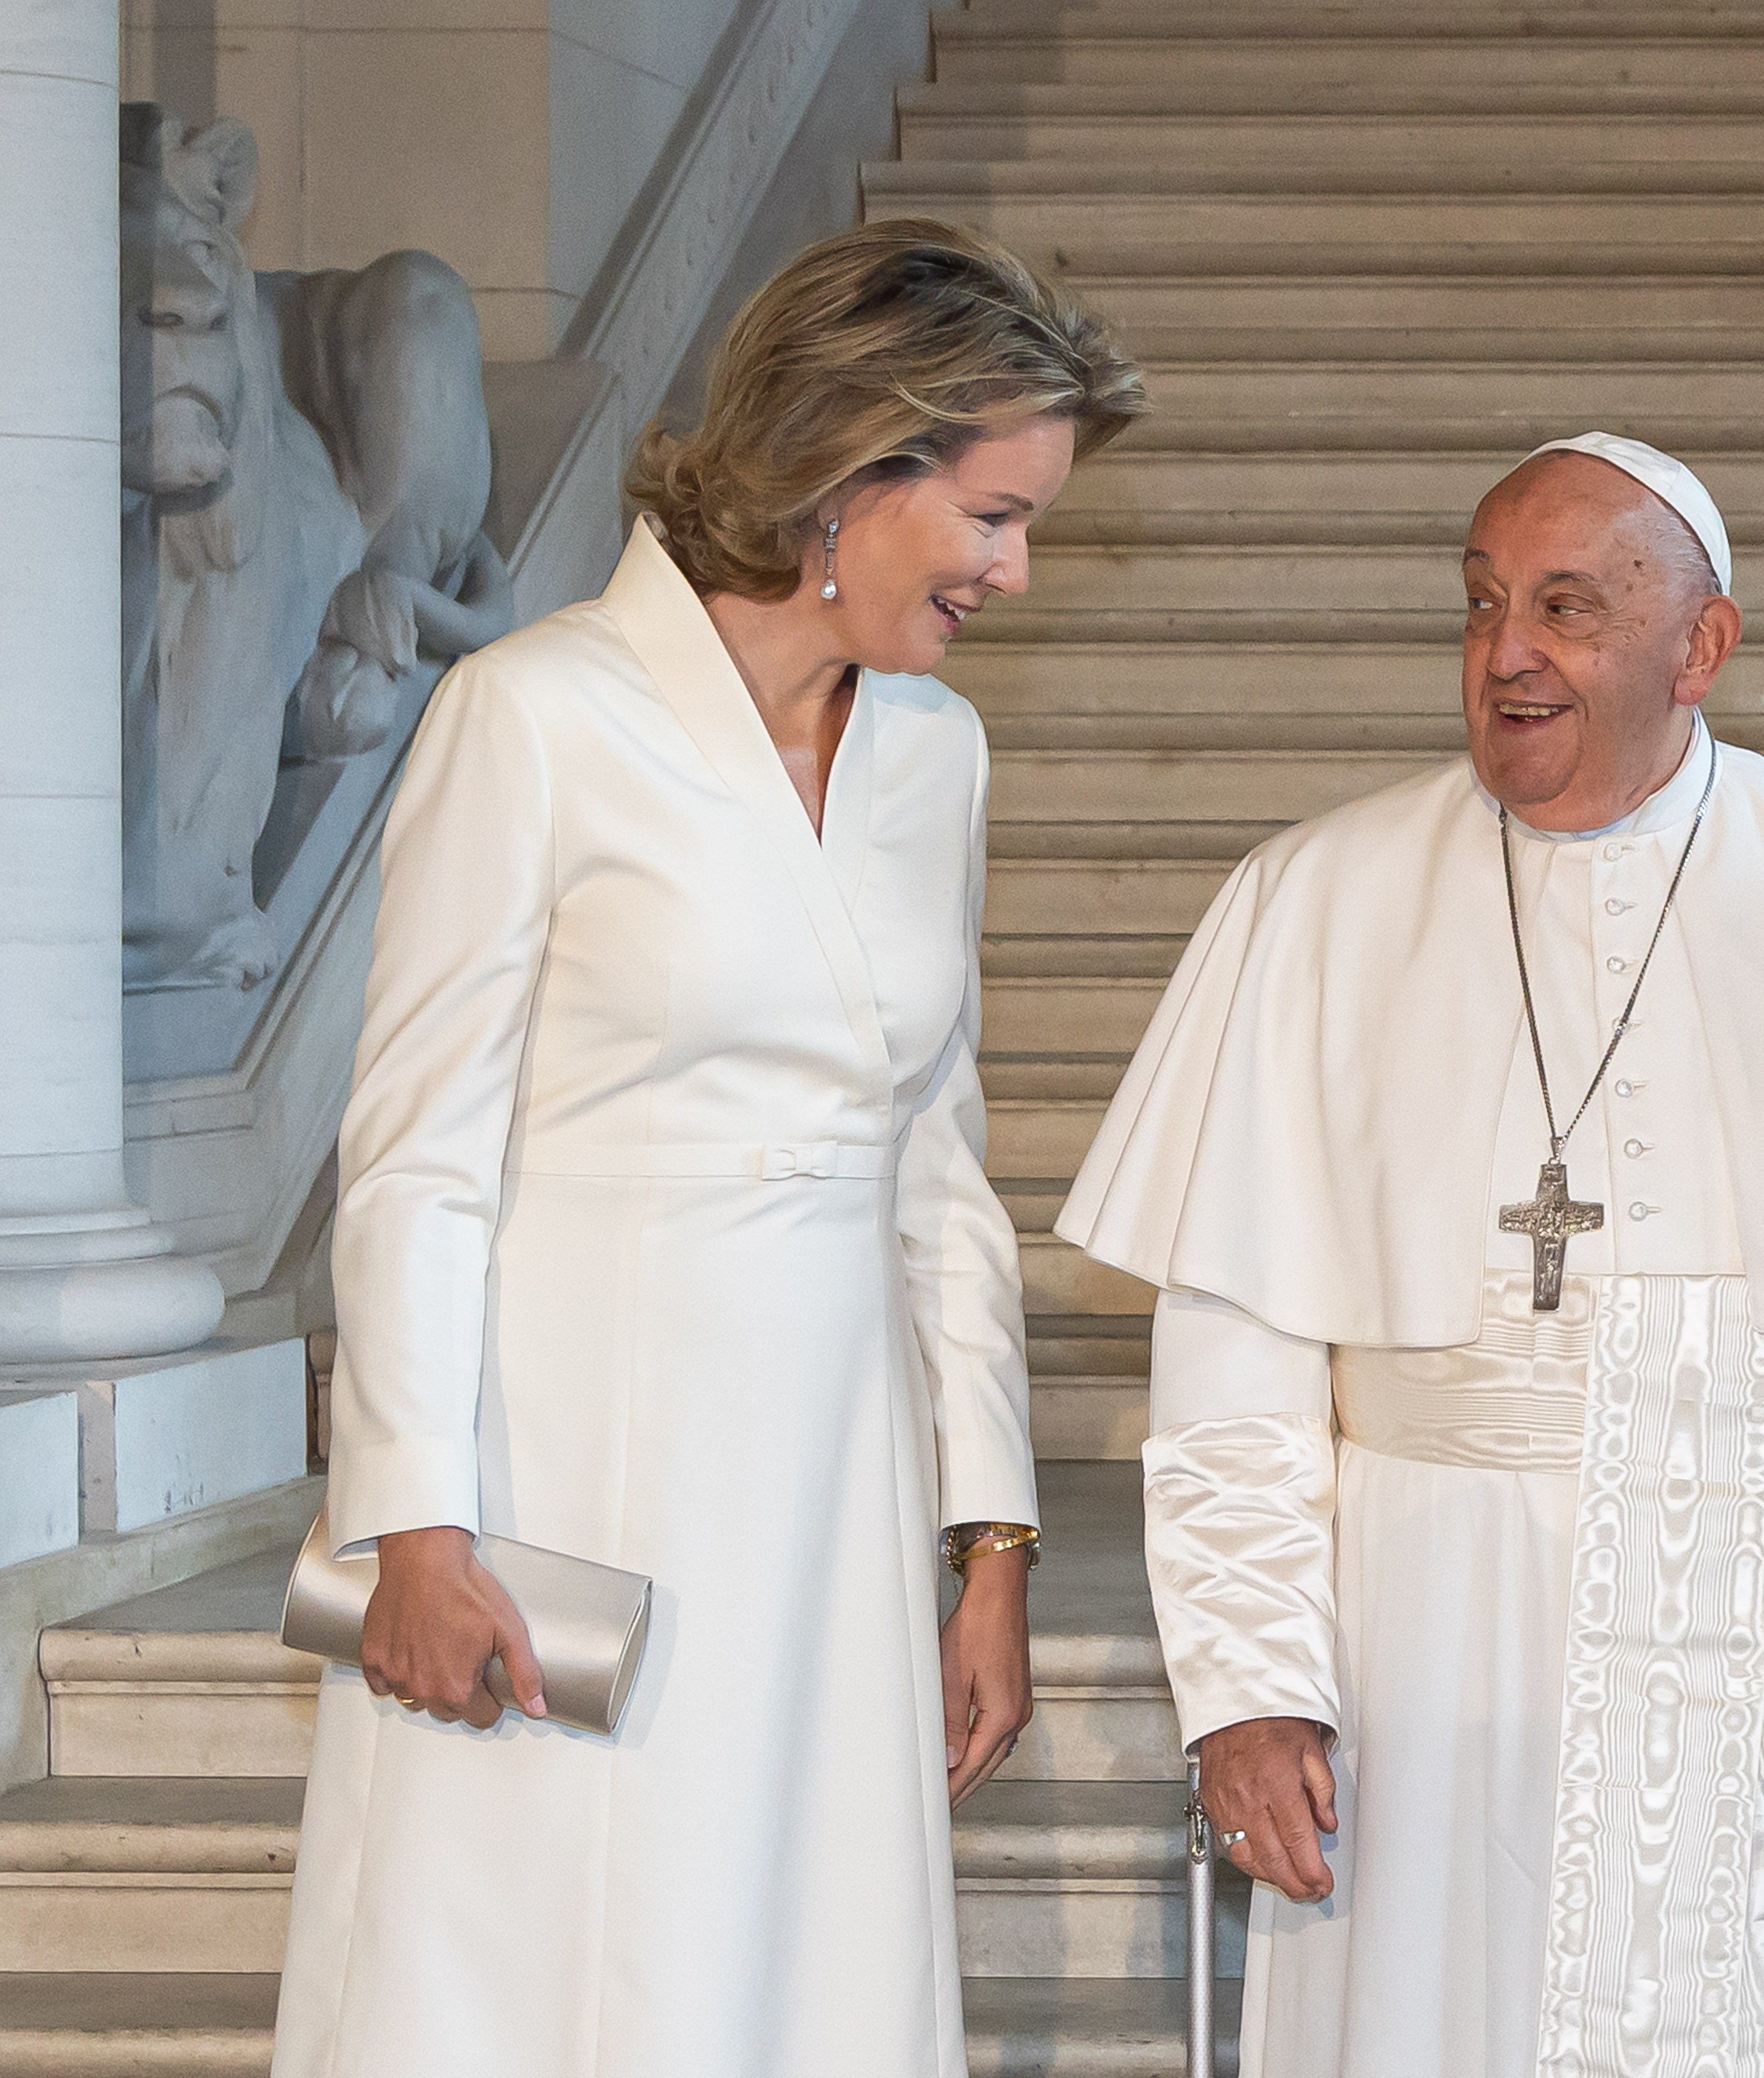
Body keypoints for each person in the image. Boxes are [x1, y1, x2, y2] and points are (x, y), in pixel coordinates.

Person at [1059, 431, 1764, 2077]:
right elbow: (1232, 1372)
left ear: (1703, 645)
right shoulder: (1307, 902)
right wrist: (1249, 1687)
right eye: (1480, 607)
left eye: (1564, 609)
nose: (1507, 653)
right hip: (1438, 1651)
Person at [271, 220, 1145, 2078]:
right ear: (854, 459)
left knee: (799, 1958)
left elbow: (936, 1160)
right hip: (567, 1464)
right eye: (994, 515)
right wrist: (409, 1519)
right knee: (533, 1956)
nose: (1012, 568)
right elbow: (416, 1156)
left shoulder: (938, 758)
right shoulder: (534, 718)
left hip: (830, 1480)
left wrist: (986, 1532)